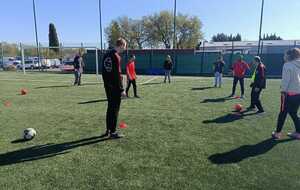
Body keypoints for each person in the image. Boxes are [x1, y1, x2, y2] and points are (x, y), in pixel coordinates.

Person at [272, 48, 300, 140]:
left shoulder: (287, 65)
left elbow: (286, 81)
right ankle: (298, 133)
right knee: (293, 113)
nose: (283, 56)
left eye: (285, 55)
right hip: (298, 94)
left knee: (283, 113)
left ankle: (277, 133)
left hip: (288, 94)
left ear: (289, 56)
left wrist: (283, 91)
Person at [102, 38, 127, 138]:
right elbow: (117, 74)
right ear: (121, 45)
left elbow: (104, 72)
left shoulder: (106, 55)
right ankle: (113, 132)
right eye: (124, 46)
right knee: (115, 109)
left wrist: (106, 84)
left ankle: (108, 130)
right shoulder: (116, 56)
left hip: (108, 86)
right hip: (115, 87)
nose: (124, 49)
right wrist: (121, 89)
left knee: (110, 109)